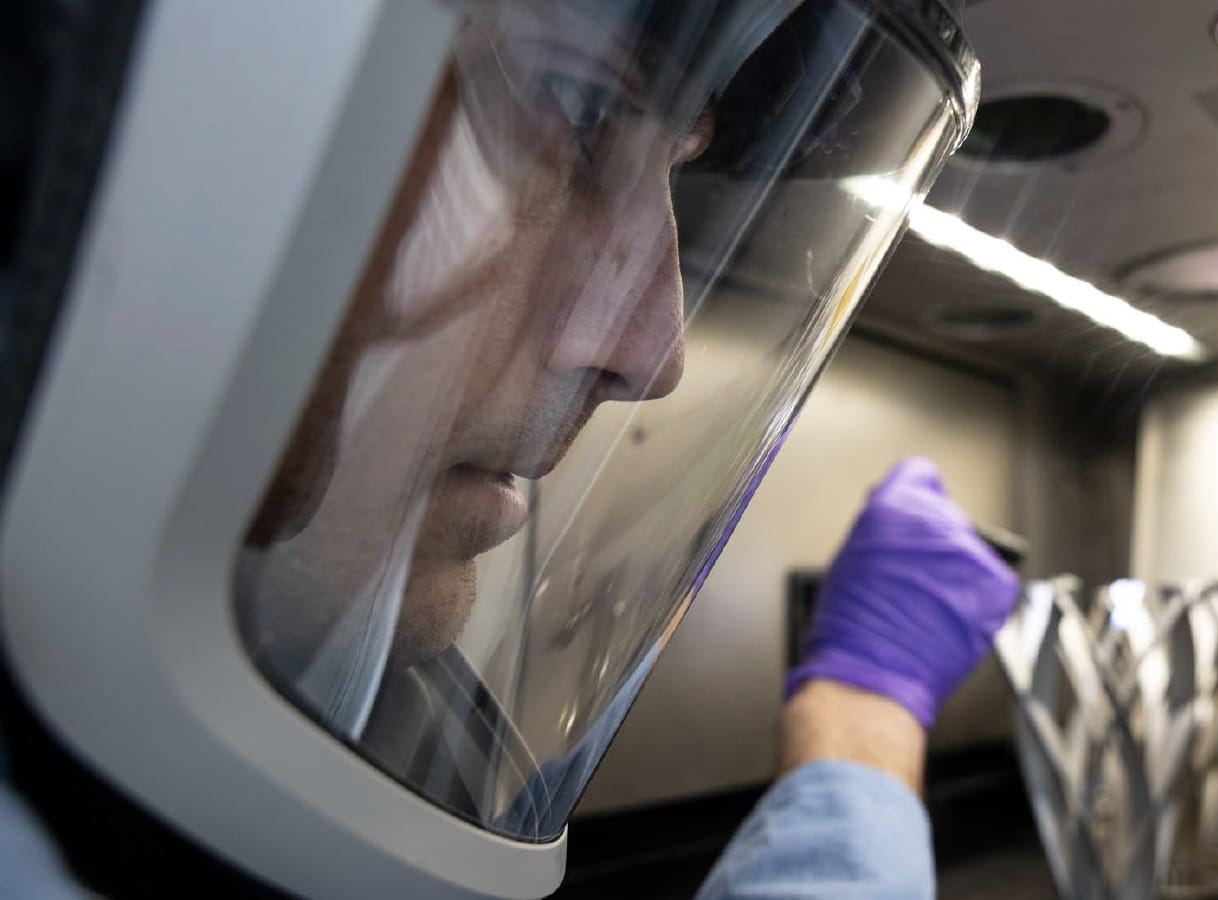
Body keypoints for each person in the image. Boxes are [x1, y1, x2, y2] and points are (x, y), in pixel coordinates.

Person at [0, 1, 1007, 897]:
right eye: (581, 106)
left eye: (667, 169)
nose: (653, 355)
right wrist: (864, 715)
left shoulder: (395, 726)